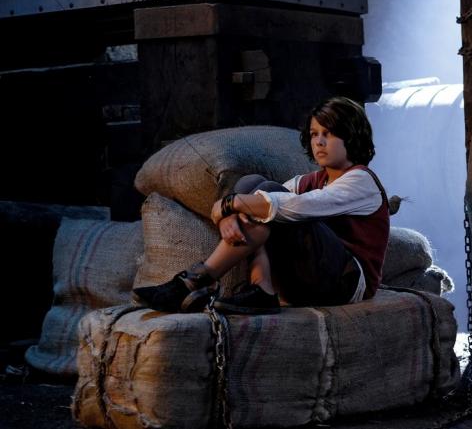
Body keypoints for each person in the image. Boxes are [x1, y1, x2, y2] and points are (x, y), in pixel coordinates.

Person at [133, 96, 390, 315]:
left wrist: (230, 204)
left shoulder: (361, 180)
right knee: (253, 183)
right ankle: (260, 289)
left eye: (329, 133)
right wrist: (228, 215)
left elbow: (297, 205)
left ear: (351, 136)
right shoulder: (312, 180)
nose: (319, 142)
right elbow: (261, 198)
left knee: (271, 198)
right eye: (314, 134)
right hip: (306, 281)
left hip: (344, 285)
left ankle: (197, 279)